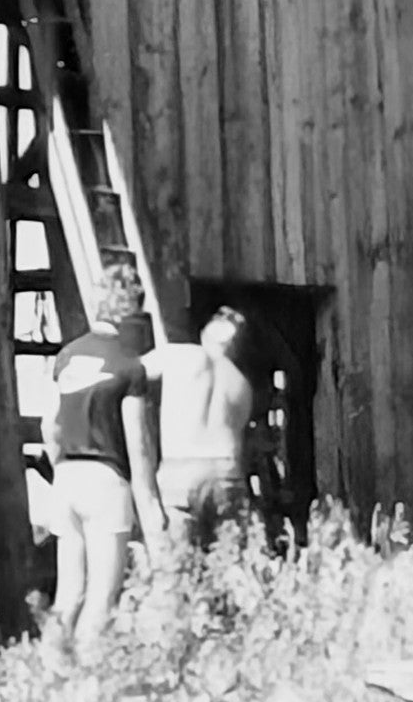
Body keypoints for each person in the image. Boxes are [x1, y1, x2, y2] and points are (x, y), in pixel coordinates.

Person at [42, 262, 164, 647]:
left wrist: (59, 466)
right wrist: (151, 508)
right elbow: (138, 444)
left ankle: (46, 677)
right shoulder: (130, 366)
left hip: (67, 478)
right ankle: (91, 692)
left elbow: (51, 426)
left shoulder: (67, 358)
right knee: (101, 597)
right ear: (133, 311)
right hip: (106, 481)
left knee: (67, 594)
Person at [148, 307, 256, 547]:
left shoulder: (181, 355)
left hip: (182, 468)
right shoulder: (242, 384)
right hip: (227, 470)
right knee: (228, 563)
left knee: (179, 561)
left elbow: (129, 374)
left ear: (206, 333)